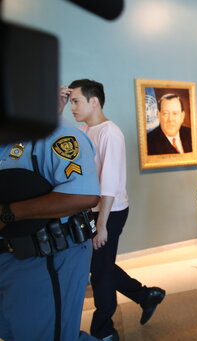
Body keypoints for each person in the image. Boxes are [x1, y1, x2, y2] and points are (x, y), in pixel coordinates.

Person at [65, 79, 166, 340]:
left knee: (100, 272)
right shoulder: (84, 130)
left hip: (110, 211)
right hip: (92, 211)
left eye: (75, 100)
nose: (71, 106)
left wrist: (101, 226)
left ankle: (104, 330)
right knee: (102, 266)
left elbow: (109, 183)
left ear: (93, 101)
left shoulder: (110, 132)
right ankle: (146, 295)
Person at [0, 88, 101, 340]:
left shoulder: (61, 137)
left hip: (46, 256)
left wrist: (7, 214)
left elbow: (84, 196)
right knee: (16, 330)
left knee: (44, 333)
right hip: (8, 257)